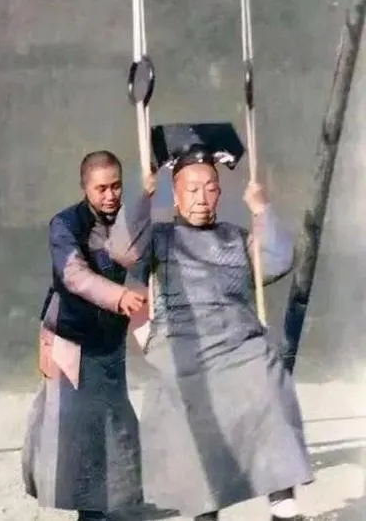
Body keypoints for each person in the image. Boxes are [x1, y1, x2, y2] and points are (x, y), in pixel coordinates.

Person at [107, 124, 314, 521]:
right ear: (176, 194)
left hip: (239, 340)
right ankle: (205, 509)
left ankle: (282, 501)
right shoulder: (159, 238)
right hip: (181, 341)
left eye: (210, 188)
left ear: (219, 193)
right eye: (192, 189)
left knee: (268, 376)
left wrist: (261, 210)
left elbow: (278, 260)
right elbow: (122, 250)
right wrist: (141, 198)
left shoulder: (235, 237)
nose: (201, 198)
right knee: (192, 399)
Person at [22, 150, 144, 521]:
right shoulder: (64, 224)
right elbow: (73, 275)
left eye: (116, 186)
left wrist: (147, 199)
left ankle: (106, 504)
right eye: (101, 188)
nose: (110, 195)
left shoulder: (129, 220)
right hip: (68, 340)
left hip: (109, 342)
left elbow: (137, 257)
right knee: (74, 431)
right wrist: (119, 296)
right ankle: (89, 512)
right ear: (85, 188)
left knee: (115, 423)